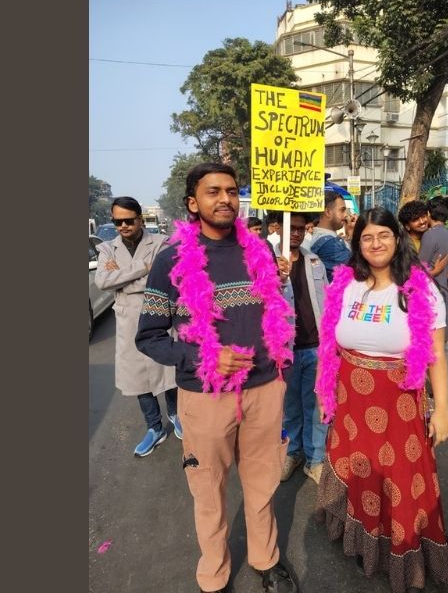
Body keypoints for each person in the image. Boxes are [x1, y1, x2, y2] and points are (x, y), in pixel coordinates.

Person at [135, 163, 298, 593]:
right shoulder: (170, 259)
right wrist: (199, 355)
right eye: (213, 192)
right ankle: (214, 574)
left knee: (262, 484)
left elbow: (274, 311)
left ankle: (266, 559)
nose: (225, 199)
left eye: (231, 191)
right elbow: (148, 337)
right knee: (208, 491)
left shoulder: (258, 250)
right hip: (206, 397)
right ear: (193, 203)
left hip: (264, 388)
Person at [313, 207, 448, 593]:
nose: (375, 244)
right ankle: (362, 541)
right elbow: (330, 345)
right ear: (358, 244)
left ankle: (403, 554)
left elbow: (436, 355)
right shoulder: (346, 285)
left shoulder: (420, 289)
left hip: (400, 402)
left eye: (383, 236)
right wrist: (324, 392)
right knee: (359, 469)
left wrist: (441, 409)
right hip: (351, 399)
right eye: (367, 237)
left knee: (400, 479)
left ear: (398, 239)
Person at [94, 196, 181, 457]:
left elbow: (165, 278)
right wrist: (143, 268)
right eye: (117, 221)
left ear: (140, 219)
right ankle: (154, 428)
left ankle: (177, 416)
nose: (123, 226)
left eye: (128, 220)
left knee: (169, 372)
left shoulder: (161, 243)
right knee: (137, 380)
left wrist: (120, 278)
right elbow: (102, 282)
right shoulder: (107, 248)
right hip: (127, 321)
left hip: (159, 315)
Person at [279, 212, 328, 484]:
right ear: (280, 228)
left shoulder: (314, 260)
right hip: (284, 351)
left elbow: (328, 301)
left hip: (315, 347)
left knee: (317, 407)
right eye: (291, 228)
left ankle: (316, 459)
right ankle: (293, 453)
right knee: (290, 407)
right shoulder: (266, 262)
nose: (296, 233)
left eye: (301, 228)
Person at [418, 196, 448, 403]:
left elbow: (419, 269)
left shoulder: (429, 236)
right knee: (444, 344)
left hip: (430, 294)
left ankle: (431, 385)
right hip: (446, 293)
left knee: (428, 342)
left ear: (429, 214)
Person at [308, 189, 355, 282]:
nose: (346, 215)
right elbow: (356, 267)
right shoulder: (330, 243)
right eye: (342, 210)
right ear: (328, 212)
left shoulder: (327, 238)